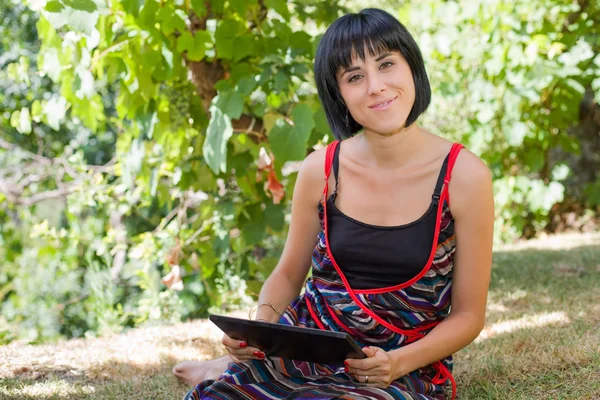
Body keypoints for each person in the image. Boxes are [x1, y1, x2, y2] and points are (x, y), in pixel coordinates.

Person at [174, 7, 494, 400]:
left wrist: (398, 363)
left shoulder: (465, 176)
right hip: (307, 345)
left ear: (413, 68)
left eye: (387, 64)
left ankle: (226, 370)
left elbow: (468, 315)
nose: (375, 86)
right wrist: (261, 329)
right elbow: (289, 275)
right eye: (355, 77)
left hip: (400, 364)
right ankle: (233, 368)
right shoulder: (320, 171)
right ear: (338, 93)